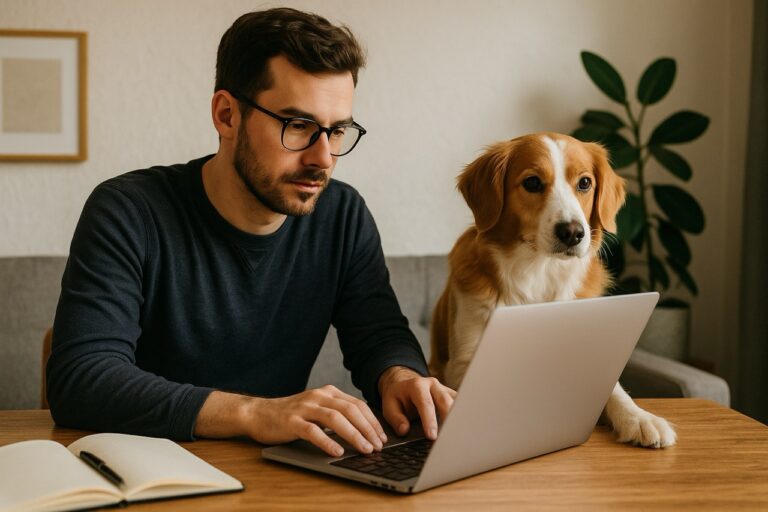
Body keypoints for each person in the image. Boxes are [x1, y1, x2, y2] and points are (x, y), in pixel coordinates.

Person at [47, 7, 455, 458]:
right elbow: (83, 378)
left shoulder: (343, 214)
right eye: (298, 126)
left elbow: (378, 335)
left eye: (336, 131)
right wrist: (256, 413)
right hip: (149, 469)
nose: (323, 158)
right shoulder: (129, 211)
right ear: (226, 115)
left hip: (279, 475)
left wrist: (398, 376)